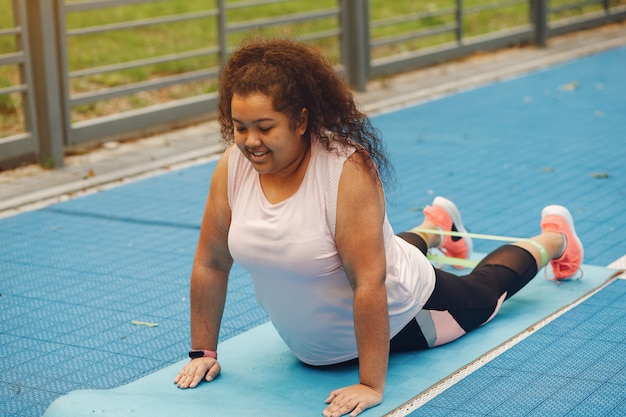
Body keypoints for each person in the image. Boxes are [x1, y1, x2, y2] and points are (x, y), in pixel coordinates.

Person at [173, 37, 584, 417]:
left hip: (411, 312)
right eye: (240, 126)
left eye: (265, 127)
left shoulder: (344, 170)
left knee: (487, 290)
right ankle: (437, 226)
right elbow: (211, 262)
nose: (249, 141)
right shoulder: (234, 167)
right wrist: (202, 351)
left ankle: (556, 237)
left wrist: (370, 384)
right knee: (349, 249)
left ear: (300, 121)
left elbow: (369, 281)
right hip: (321, 338)